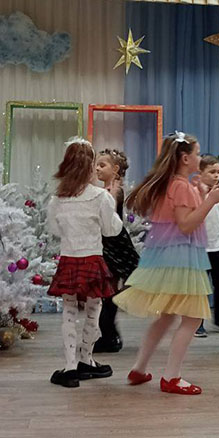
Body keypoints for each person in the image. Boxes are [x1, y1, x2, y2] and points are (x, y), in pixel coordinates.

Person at [114, 132, 219, 395]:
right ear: (185, 158)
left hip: (168, 257)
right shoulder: (180, 186)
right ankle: (172, 376)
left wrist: (202, 194)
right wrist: (210, 201)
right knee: (192, 318)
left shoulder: (174, 184)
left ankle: (139, 369)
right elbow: (186, 225)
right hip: (182, 259)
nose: (200, 158)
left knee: (167, 317)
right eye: (197, 153)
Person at [47, 137, 123, 388]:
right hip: (92, 260)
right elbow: (112, 230)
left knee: (69, 312)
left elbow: (53, 229)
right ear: (90, 166)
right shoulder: (100, 196)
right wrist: (113, 202)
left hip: (70, 259)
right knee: (93, 310)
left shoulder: (57, 198)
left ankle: (70, 367)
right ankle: (86, 360)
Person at [94, 148, 140, 353]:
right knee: (108, 293)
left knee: (110, 292)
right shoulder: (105, 190)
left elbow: (108, 215)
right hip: (107, 243)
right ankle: (109, 335)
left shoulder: (114, 190)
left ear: (115, 169)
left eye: (101, 165)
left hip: (114, 245)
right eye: (96, 165)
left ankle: (110, 336)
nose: (97, 168)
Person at [193, 154, 219, 337]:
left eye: (218, 172)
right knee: (200, 288)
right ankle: (197, 322)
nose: (216, 175)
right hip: (200, 248)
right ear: (201, 172)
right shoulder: (194, 192)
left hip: (217, 247)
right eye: (211, 172)